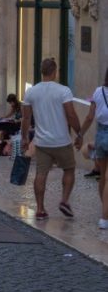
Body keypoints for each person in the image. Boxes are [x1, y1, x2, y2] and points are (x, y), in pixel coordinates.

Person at [21, 57, 82, 220]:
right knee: (69, 169)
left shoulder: (31, 92)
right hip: (62, 140)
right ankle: (64, 200)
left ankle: (40, 209)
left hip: (42, 142)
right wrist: (79, 133)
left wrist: (24, 138)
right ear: (55, 72)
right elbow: (71, 114)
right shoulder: (63, 91)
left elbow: (26, 119)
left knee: (41, 173)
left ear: (42, 72)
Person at [78, 68, 108, 229]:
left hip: (101, 135)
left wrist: (80, 134)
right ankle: (105, 217)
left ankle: (105, 207)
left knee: (103, 175)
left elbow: (90, 117)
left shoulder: (98, 91)